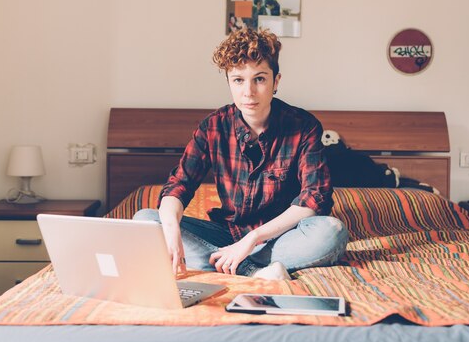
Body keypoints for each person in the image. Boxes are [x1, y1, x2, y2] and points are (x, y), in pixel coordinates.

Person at [134, 28, 348, 280]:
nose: (248, 92)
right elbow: (179, 185)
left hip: (281, 236)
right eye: (238, 80)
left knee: (331, 231)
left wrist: (252, 239)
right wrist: (171, 232)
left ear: (275, 81)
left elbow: (314, 198)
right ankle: (254, 271)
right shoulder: (213, 127)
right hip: (226, 234)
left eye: (259, 79)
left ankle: (229, 262)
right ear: (228, 82)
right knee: (145, 220)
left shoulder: (303, 126)